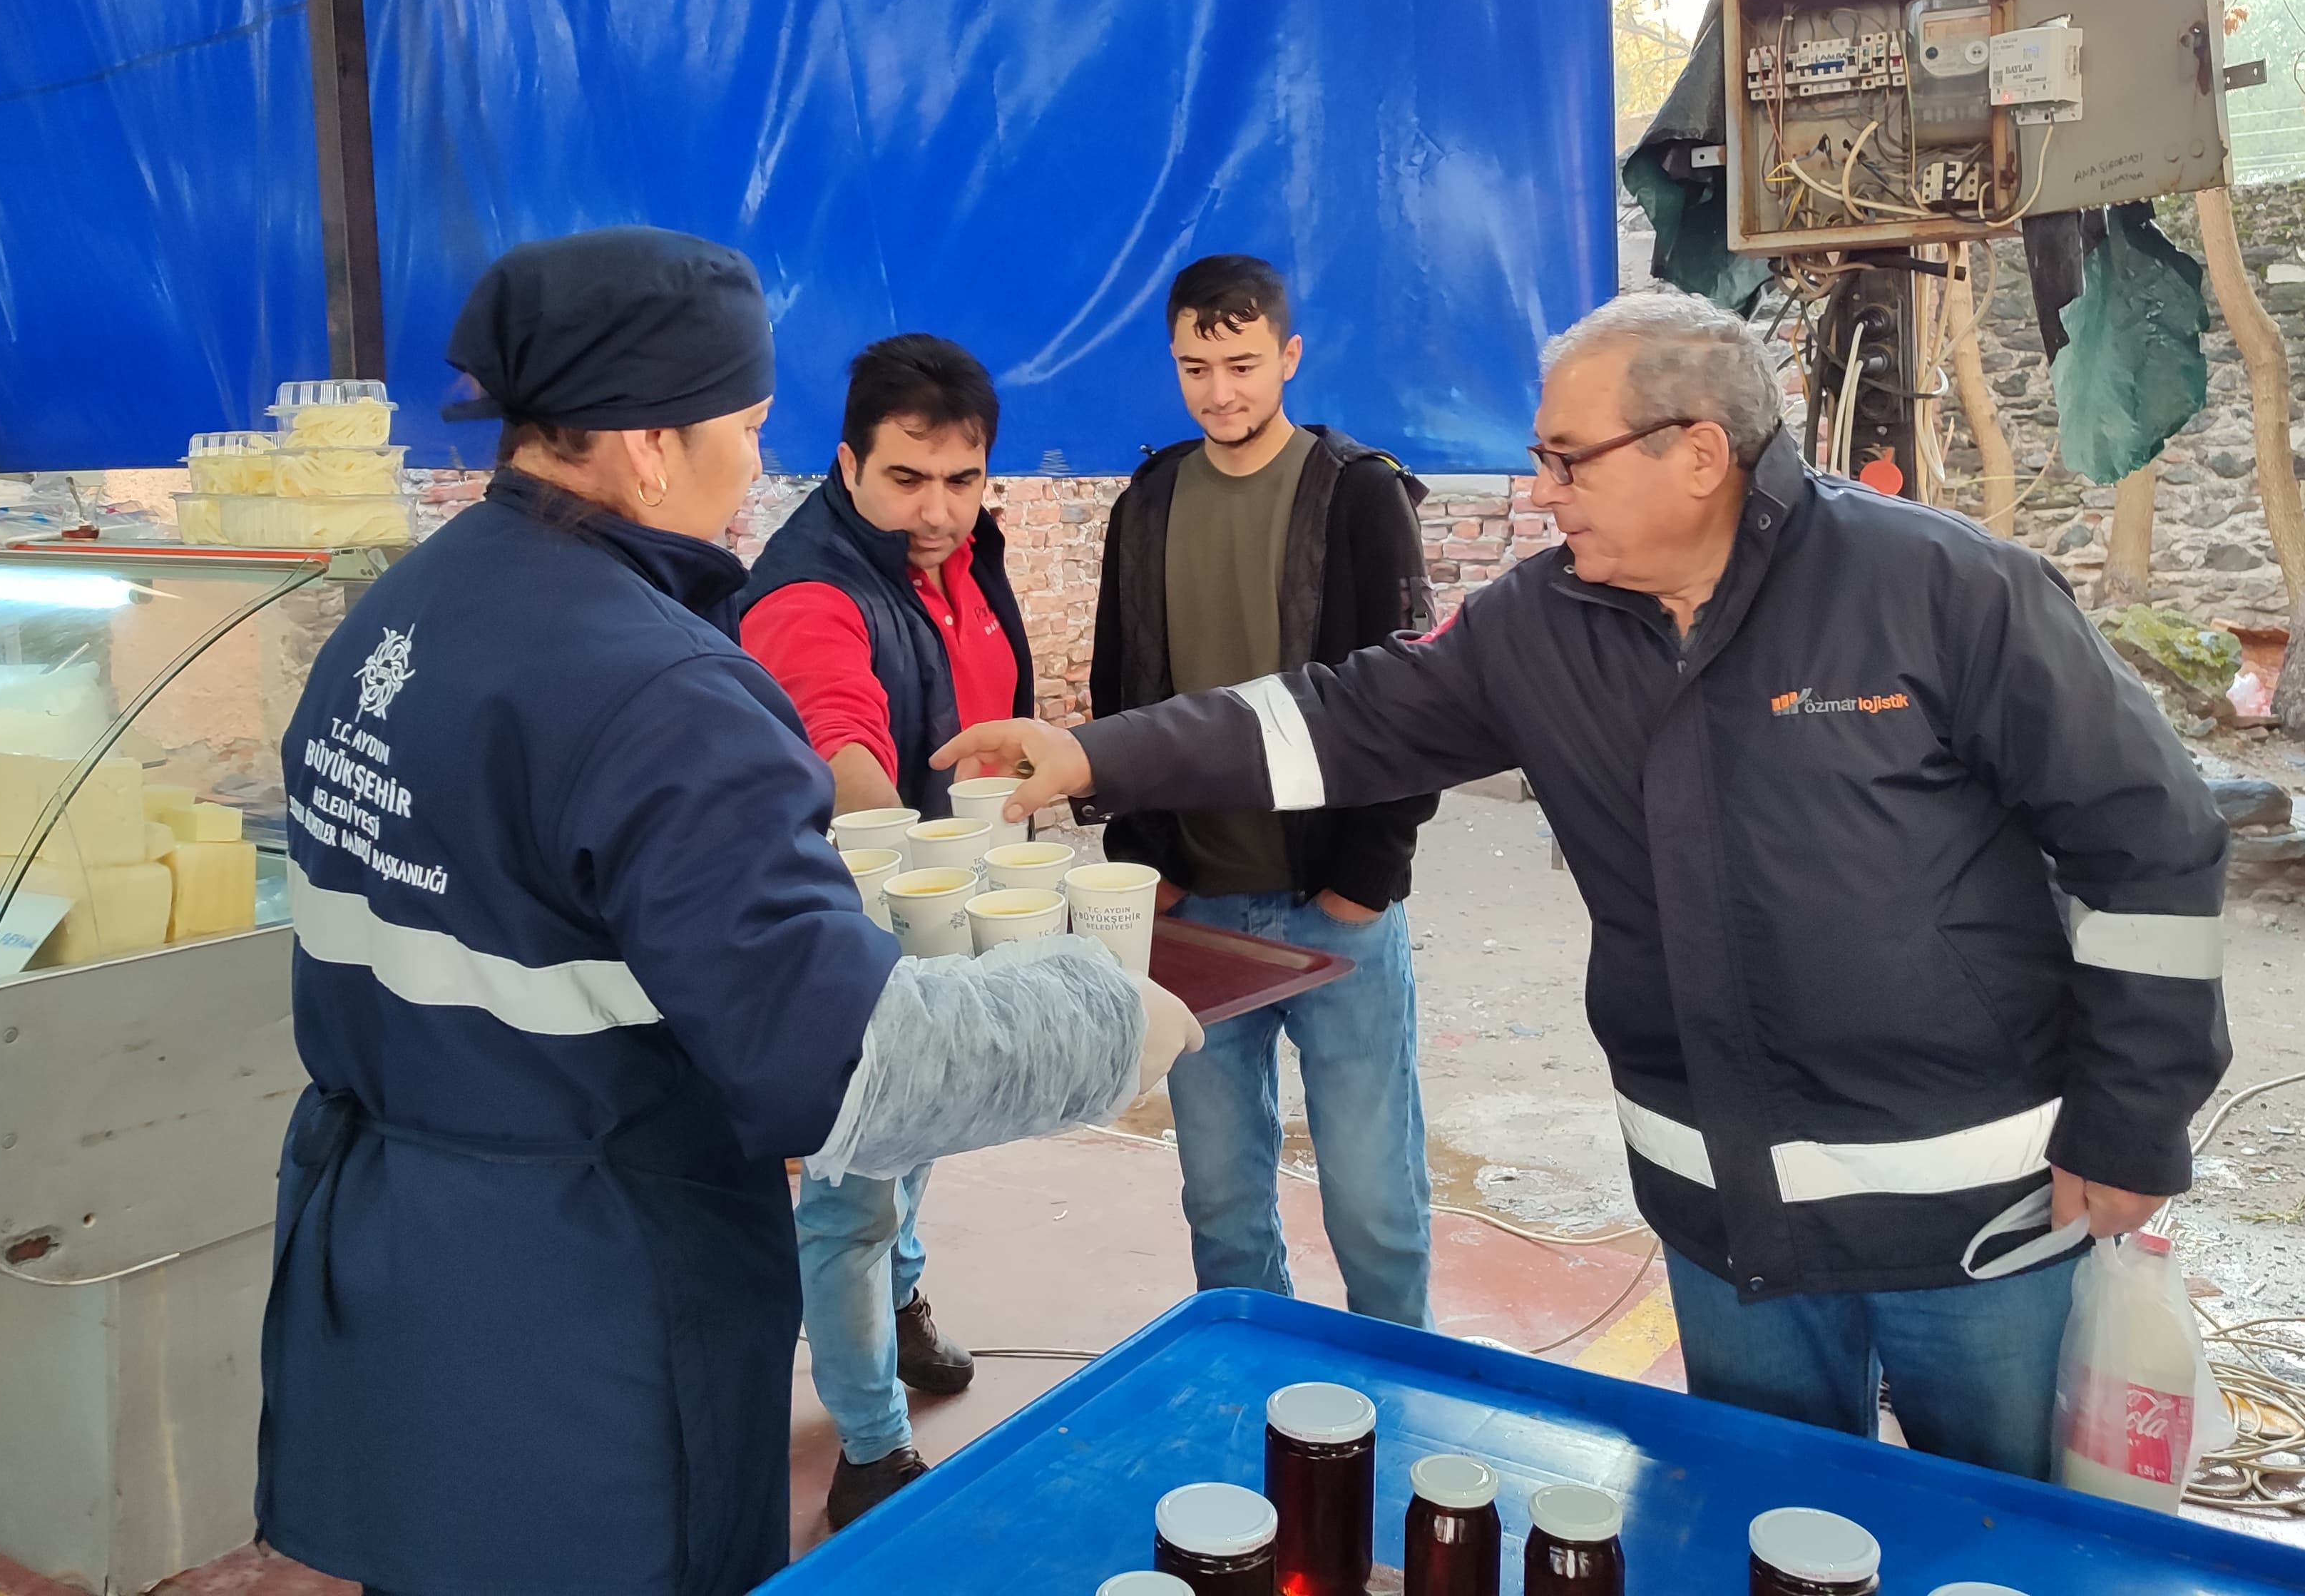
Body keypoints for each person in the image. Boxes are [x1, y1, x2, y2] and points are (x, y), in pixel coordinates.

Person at [944, 287, 2231, 1483]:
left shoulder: (1942, 587)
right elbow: (1335, 721)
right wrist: (1094, 754)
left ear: (1698, 452)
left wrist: (2130, 1121)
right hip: (1723, 1215)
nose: (1542, 490)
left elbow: (2151, 843)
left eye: (1568, 459)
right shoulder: (1538, 625)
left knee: (2001, 1535)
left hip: (1974, 1216)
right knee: (1760, 1518)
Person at [257, 227, 1202, 1596]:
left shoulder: (394, 619)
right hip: (585, 1304)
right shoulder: (665, 696)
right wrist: (1105, 1017)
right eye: (747, 426)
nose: (757, 463)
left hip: (393, 1263)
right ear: (649, 445)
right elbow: (842, 1071)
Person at [1087, 254, 1438, 1327]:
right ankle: (1257, 1395)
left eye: (1242, 363)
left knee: (1376, 1203)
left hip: (1334, 912)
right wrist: (1144, 868)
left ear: (1289, 356)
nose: (1220, 391)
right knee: (1224, 1201)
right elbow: (1119, 696)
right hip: (1197, 910)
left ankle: (1401, 1394)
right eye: (1196, 366)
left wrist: (1369, 877)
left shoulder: (1361, 497)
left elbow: (1412, 698)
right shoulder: (1146, 504)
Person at [736, 335, 1031, 1526]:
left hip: (936, 914)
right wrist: (913, 845)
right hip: (847, 924)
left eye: (962, 481)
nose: (940, 509)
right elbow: (839, 735)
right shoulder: (811, 587)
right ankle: (869, 1451)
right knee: (852, 1188)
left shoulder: (956, 560)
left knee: (928, 1133)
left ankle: (903, 1309)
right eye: (907, 480)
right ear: (848, 464)